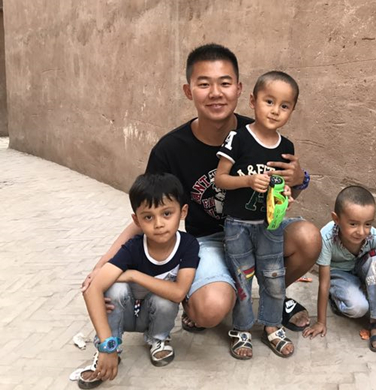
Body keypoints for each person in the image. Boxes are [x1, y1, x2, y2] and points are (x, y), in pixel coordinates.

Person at [81, 44, 320, 337]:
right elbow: (147, 214)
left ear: (240, 89)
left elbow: (282, 199)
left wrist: (298, 180)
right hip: (206, 241)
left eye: (225, 83)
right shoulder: (170, 150)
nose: (216, 93)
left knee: (308, 238)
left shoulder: (262, 134)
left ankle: (275, 297)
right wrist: (103, 265)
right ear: (188, 90)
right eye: (204, 84)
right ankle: (199, 297)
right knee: (211, 309)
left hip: (257, 230)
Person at [78, 173, 199, 389]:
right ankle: (111, 349)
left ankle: (157, 339)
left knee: (167, 297)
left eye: (167, 213)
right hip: (123, 314)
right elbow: (92, 289)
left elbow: (180, 293)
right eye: (148, 217)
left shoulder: (188, 245)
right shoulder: (133, 247)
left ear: (183, 212)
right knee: (115, 288)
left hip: (153, 314)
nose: (159, 224)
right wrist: (106, 344)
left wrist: (133, 275)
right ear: (136, 220)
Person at [214, 71, 299, 359]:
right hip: (237, 225)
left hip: (270, 225)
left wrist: (286, 193)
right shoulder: (238, 138)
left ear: (292, 110)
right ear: (252, 101)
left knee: (274, 276)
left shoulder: (287, 148)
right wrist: (248, 181)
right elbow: (220, 179)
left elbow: (285, 187)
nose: (275, 110)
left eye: (284, 106)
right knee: (243, 279)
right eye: (269, 101)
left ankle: (273, 326)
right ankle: (242, 329)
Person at [302, 185, 376, 352]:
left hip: (361, 269)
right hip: (339, 274)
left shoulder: (374, 236)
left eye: (367, 224)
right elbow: (324, 281)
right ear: (336, 219)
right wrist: (321, 322)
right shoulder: (327, 237)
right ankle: (338, 299)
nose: (361, 231)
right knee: (358, 308)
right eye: (353, 224)